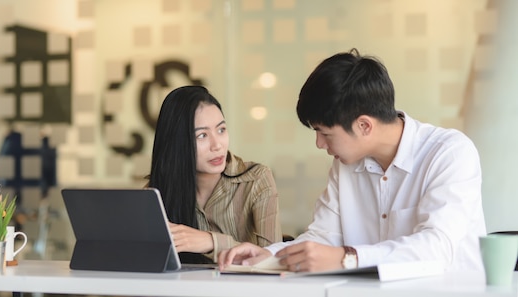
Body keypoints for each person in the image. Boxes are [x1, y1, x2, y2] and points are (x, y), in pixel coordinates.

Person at [218, 49, 486, 272]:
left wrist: (348, 257)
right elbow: (323, 238)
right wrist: (269, 255)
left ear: (364, 126)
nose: (319, 144)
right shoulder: (346, 165)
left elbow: (437, 248)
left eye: (325, 133)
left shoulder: (449, 153)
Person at [147, 85, 282, 264]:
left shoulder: (255, 179)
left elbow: (272, 260)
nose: (217, 145)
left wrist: (211, 242)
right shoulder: (157, 193)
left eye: (221, 130)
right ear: (177, 143)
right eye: (202, 135)